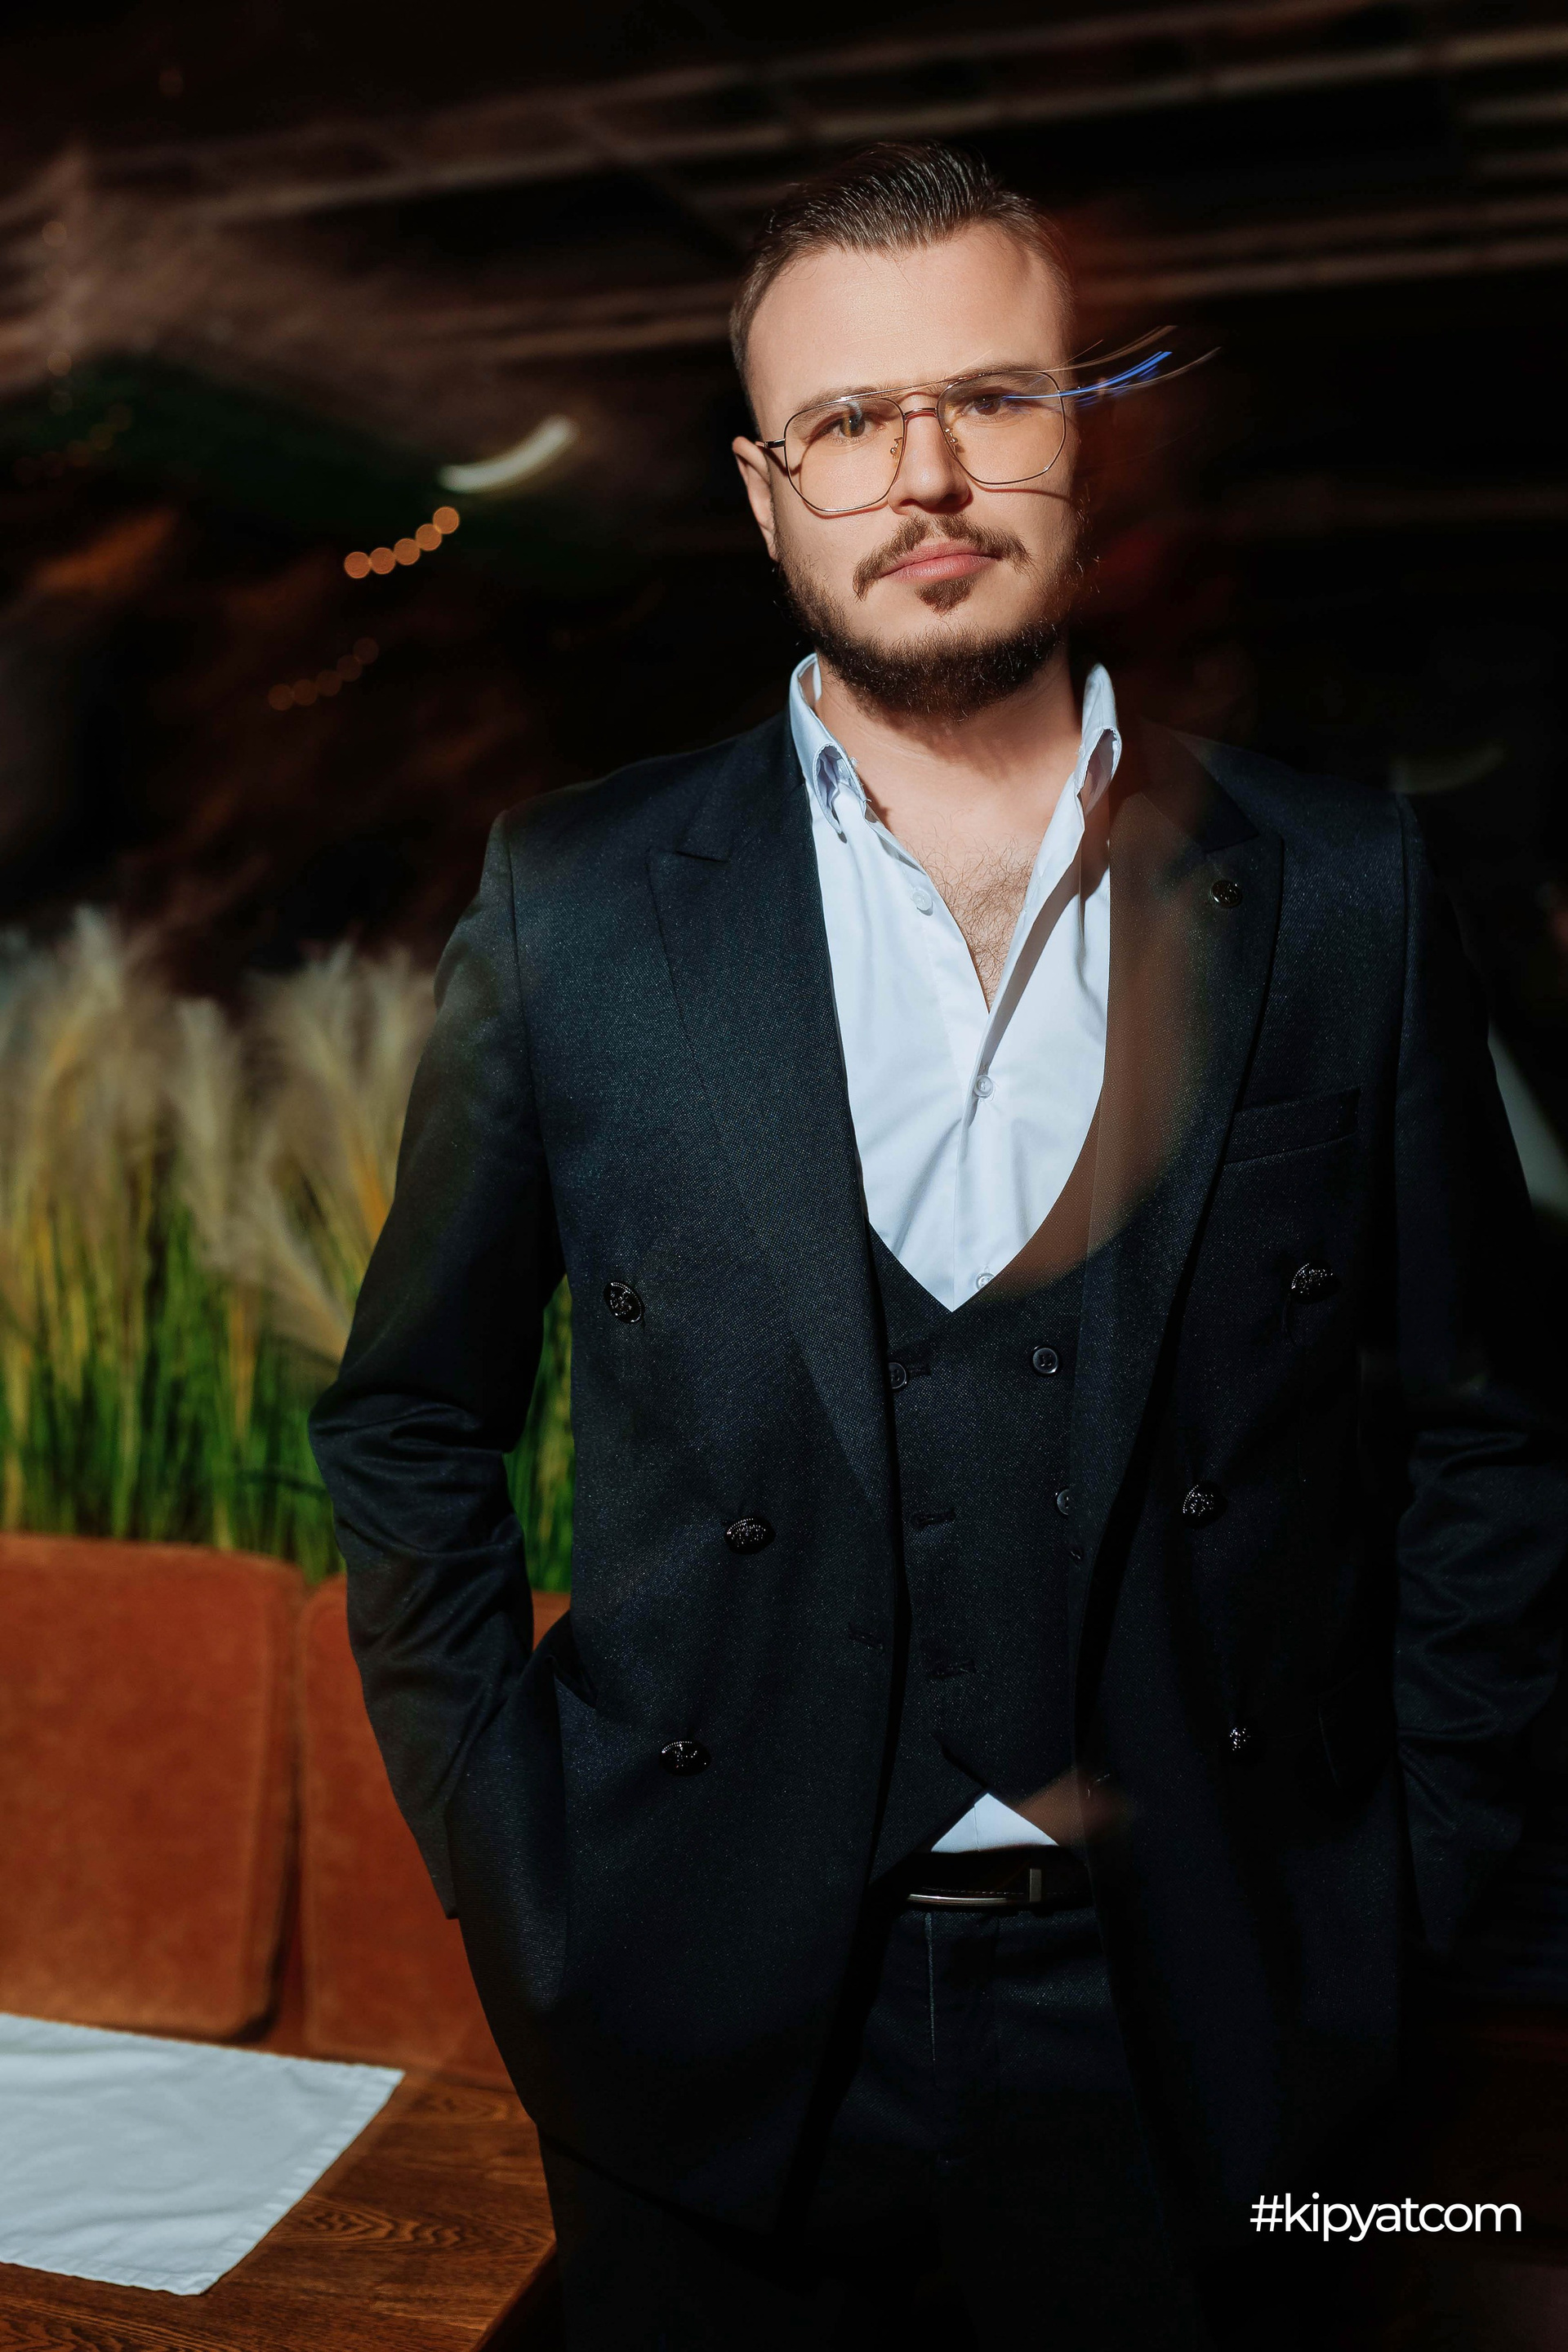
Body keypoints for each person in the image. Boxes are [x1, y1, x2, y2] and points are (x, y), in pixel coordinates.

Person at [310, 143, 1564, 2348]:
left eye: (990, 397)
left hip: (1220, 2034)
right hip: (706, 2025)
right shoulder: (576, 905)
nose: (925, 475)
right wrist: (525, 1868)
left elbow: (1495, 1431)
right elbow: (410, 1423)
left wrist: (1404, 1895)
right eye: (846, 421)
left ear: (1083, 435)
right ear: (764, 491)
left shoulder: (1344, 892)